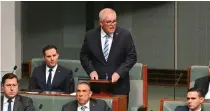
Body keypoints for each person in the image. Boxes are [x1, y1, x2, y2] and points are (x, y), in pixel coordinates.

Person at [80, 8, 137, 99]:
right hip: (97, 86)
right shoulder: (90, 35)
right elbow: (84, 56)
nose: (112, 25)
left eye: (114, 21)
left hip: (119, 87)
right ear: (101, 23)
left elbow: (132, 57)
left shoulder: (124, 35)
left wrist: (119, 73)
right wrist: (91, 70)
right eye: (108, 22)